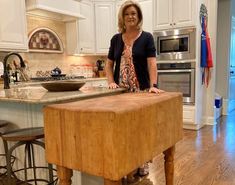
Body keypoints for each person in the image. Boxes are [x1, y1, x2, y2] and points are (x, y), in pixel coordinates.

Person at [105, 0, 164, 182]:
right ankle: (126, 163)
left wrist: (153, 85)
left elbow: (151, 63)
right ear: (122, 17)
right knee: (123, 129)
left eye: (133, 14)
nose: (130, 16)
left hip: (141, 91)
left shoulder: (146, 37)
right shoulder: (116, 39)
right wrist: (111, 81)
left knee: (141, 128)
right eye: (127, 13)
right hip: (120, 92)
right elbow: (109, 64)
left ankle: (142, 163)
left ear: (138, 17)